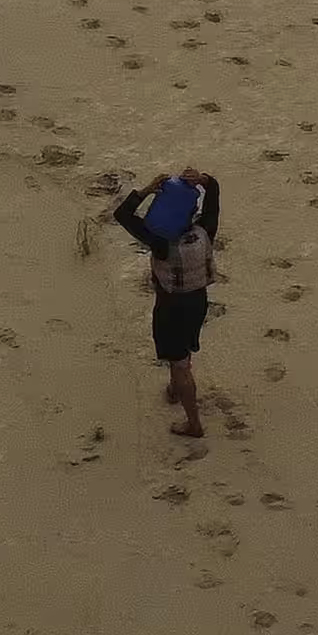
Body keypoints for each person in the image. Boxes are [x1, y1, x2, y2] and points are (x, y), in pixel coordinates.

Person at [109, 167, 221, 439]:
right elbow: (214, 196)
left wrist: (147, 190)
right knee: (182, 352)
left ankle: (193, 423)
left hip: (170, 309)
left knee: (180, 363)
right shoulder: (205, 230)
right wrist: (204, 181)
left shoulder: (159, 241)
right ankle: (174, 388)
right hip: (198, 302)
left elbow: (121, 215)